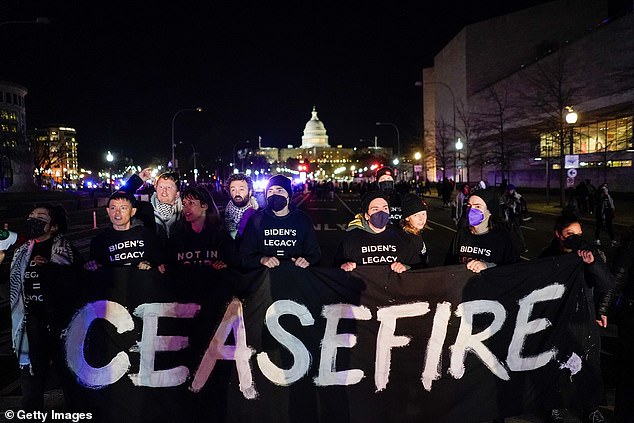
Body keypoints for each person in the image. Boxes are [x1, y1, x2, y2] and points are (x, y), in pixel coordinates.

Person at [2, 204, 82, 410]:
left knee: (70, 379)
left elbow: (76, 283)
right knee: (31, 381)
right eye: (31, 215)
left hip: (61, 325)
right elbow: (9, 283)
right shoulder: (21, 252)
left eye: (40, 216)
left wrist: (49, 269)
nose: (33, 220)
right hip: (31, 326)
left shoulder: (65, 249)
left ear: (53, 227)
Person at [538, 210, 614, 423]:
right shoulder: (547, 256)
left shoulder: (589, 253)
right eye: (570, 233)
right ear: (558, 235)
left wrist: (592, 264)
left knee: (590, 365)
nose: (576, 237)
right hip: (557, 320)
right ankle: (554, 405)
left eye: (579, 233)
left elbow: (606, 284)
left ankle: (590, 408)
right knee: (555, 364)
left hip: (583, 320)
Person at [239, 175, 321, 269]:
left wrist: (306, 260)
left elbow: (315, 253)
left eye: (279, 190)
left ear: (288, 195)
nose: (274, 194)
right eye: (270, 191)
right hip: (265, 279)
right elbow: (244, 255)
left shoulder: (302, 219)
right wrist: (261, 260)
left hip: (295, 277)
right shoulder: (256, 220)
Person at [445, 187, 520, 273]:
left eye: (478, 206)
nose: (471, 210)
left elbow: (514, 270)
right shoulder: (461, 234)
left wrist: (488, 266)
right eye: (469, 206)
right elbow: (449, 265)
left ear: (490, 211)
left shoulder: (503, 238)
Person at [85, 190, 164, 271]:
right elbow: (93, 266)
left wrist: (150, 264)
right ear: (108, 211)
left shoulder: (148, 236)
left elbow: (160, 262)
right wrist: (91, 266)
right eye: (113, 208)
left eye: (123, 208)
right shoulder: (99, 241)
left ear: (133, 211)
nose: (117, 212)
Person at [333, 190, 409, 273]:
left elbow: (417, 268)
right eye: (375, 209)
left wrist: (405, 268)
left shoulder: (401, 238)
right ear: (366, 216)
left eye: (385, 208)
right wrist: (343, 266)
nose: (381, 212)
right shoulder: (351, 239)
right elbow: (335, 268)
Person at [168, 186, 238, 269]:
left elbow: (234, 264)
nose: (186, 208)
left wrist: (225, 266)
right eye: (184, 204)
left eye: (191, 203)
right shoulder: (177, 238)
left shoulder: (221, 237)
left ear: (204, 206)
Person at [609, 225, 634, 423]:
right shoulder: (631, 245)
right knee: (628, 367)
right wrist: (604, 308)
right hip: (632, 313)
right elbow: (616, 278)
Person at [126, 168, 184, 239]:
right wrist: (138, 180)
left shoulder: (186, 213)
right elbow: (119, 199)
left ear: (177, 193)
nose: (164, 190)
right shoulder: (144, 209)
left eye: (169, 187)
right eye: (161, 187)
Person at [398, 193, 430, 269]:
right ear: (407, 218)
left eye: (423, 214)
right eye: (416, 215)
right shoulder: (406, 239)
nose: (421, 219)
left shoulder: (415, 232)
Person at [223, 173, 258, 240]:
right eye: (233, 190)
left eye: (241, 189)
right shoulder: (223, 217)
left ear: (250, 192)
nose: (237, 193)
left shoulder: (258, 213)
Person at [502, 184, 528, 253]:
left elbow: (523, 203)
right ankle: (508, 247)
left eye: (512, 190)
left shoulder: (517, 196)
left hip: (515, 216)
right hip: (509, 216)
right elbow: (503, 204)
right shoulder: (505, 196)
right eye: (509, 190)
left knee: (518, 232)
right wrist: (508, 205)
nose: (511, 191)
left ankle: (524, 247)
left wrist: (517, 202)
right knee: (508, 233)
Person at [593, 183, 617, 247]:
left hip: (607, 213)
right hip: (600, 213)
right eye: (603, 188)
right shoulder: (598, 195)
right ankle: (597, 240)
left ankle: (613, 240)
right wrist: (603, 196)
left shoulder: (608, 195)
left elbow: (611, 203)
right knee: (599, 226)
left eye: (606, 188)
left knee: (610, 227)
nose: (605, 189)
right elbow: (598, 203)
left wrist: (607, 195)